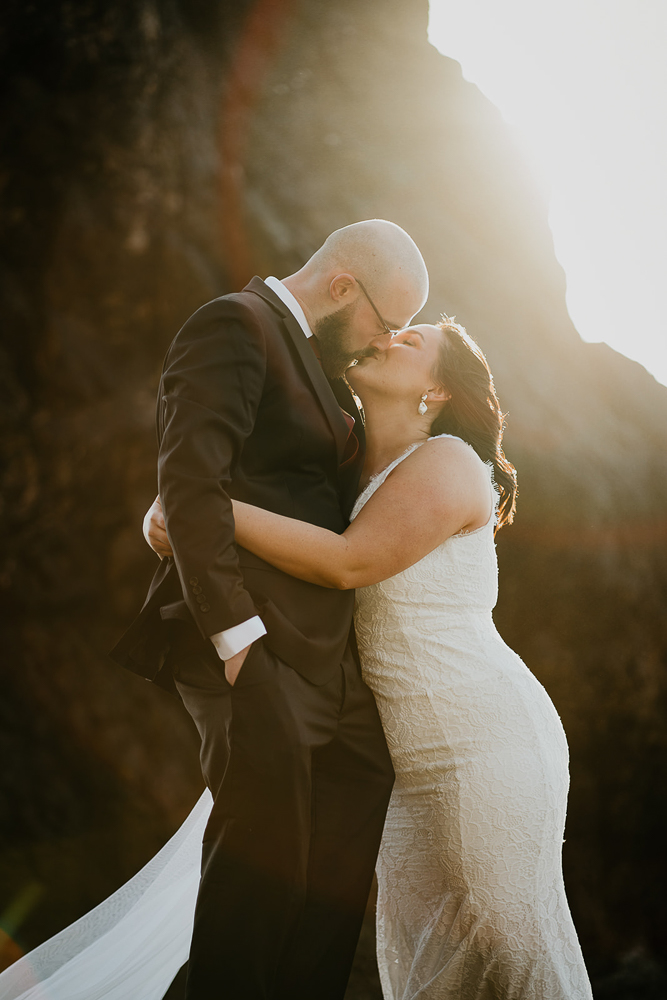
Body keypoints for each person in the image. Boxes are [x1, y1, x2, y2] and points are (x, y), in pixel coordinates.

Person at [146, 319, 594, 998]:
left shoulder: (447, 458)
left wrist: (198, 508)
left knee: (505, 941)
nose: (387, 336)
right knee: (428, 968)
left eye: (410, 340)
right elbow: (266, 548)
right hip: (403, 769)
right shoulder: (340, 468)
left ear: (437, 388)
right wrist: (175, 523)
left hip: (485, 742)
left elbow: (346, 562)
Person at [109, 220, 429, 1000]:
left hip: (325, 662)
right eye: (384, 326)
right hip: (246, 643)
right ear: (342, 286)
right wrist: (237, 645)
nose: (381, 344)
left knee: (336, 866)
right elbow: (188, 485)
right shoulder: (234, 324)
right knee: (261, 874)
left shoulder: (328, 373)